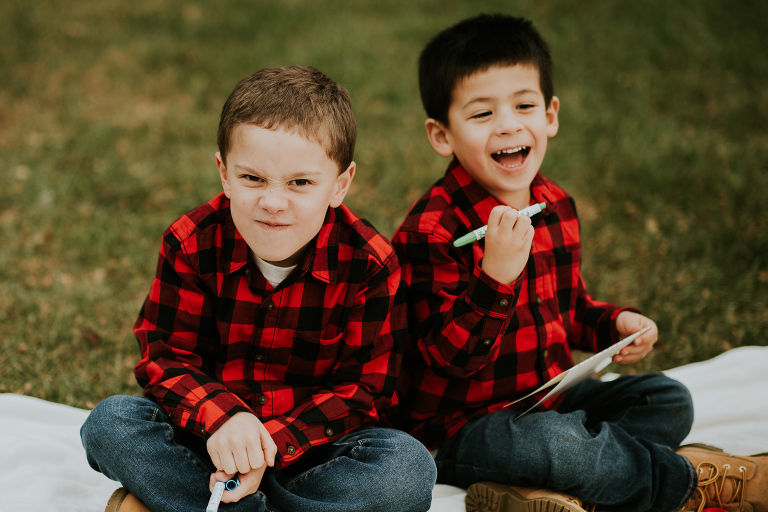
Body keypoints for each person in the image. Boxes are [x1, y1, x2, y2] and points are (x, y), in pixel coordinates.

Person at [391, 13, 766, 512]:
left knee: (667, 398)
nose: (507, 124)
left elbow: (568, 310)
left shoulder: (555, 205)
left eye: (524, 105)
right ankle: (691, 481)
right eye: (481, 114)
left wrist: (614, 324)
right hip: (465, 428)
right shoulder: (433, 231)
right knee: (555, 444)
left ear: (550, 115)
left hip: (552, 398)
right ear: (442, 135)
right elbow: (446, 358)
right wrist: (495, 279)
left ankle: (541, 493)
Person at [81, 65, 436, 512]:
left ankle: (187, 502)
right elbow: (165, 355)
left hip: (311, 448)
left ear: (339, 185)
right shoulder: (191, 241)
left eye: (300, 183)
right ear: (224, 173)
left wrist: (269, 446)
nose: (273, 202)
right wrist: (225, 418)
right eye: (252, 178)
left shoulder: (369, 262)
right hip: (207, 439)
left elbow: (364, 391)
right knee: (110, 423)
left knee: (407, 469)